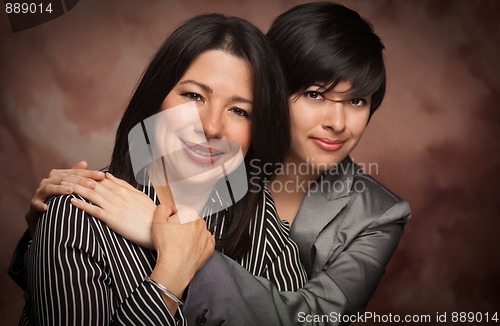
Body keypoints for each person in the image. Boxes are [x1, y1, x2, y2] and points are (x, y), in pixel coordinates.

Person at [12, 2, 411, 325]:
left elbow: (311, 318)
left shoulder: (263, 220)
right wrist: (43, 235)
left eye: (240, 110)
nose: (210, 125)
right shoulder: (80, 213)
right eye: (194, 96)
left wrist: (169, 240)